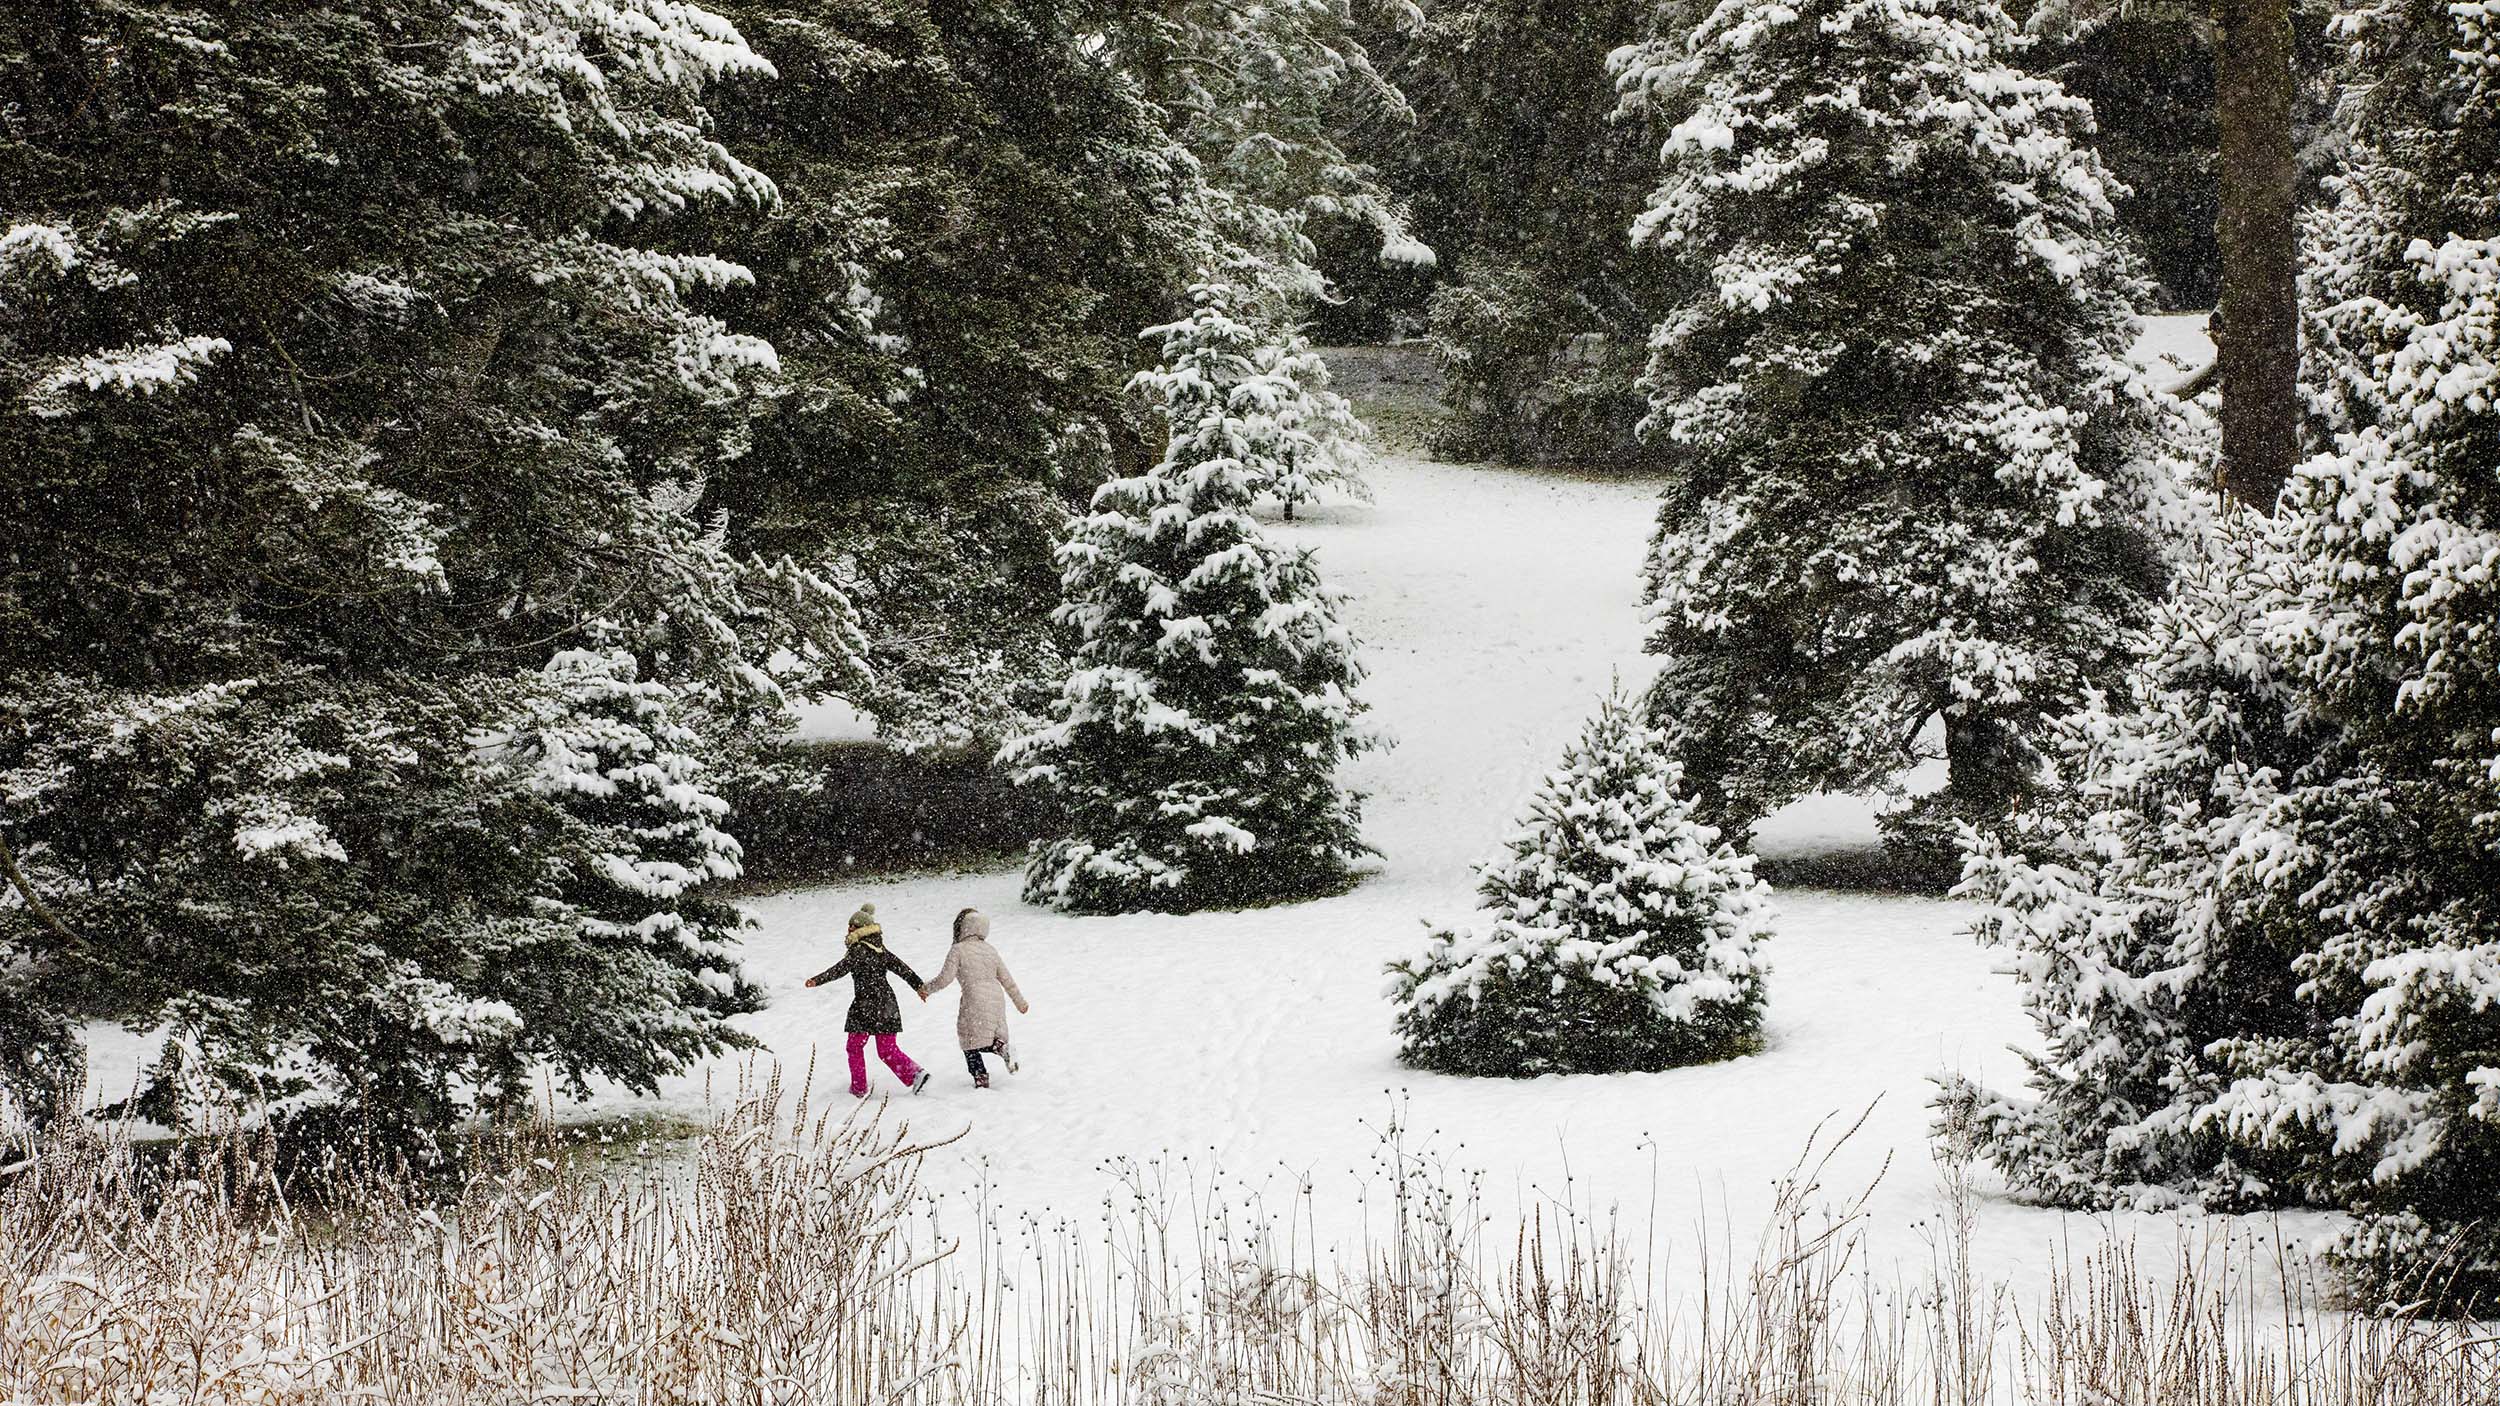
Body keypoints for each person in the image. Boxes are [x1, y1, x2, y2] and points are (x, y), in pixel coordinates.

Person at [804, 902, 930, 1098]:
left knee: (854, 1046)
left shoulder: (858, 951)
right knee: (886, 1050)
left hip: (866, 1005)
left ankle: (859, 1087)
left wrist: (816, 980)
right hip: (886, 1004)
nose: (848, 929)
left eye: (852, 926)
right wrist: (918, 986)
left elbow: (839, 969)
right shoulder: (880, 949)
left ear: (862, 929)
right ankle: (915, 1074)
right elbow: (901, 968)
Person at [918, 908, 1029, 1089]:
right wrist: (1020, 1003)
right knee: (985, 1038)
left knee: (969, 1041)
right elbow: (1007, 979)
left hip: (974, 998)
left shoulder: (958, 950)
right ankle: (1001, 1048)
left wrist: (926, 989)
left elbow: (945, 978)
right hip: (996, 998)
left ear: (961, 928)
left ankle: (980, 1077)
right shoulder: (990, 950)